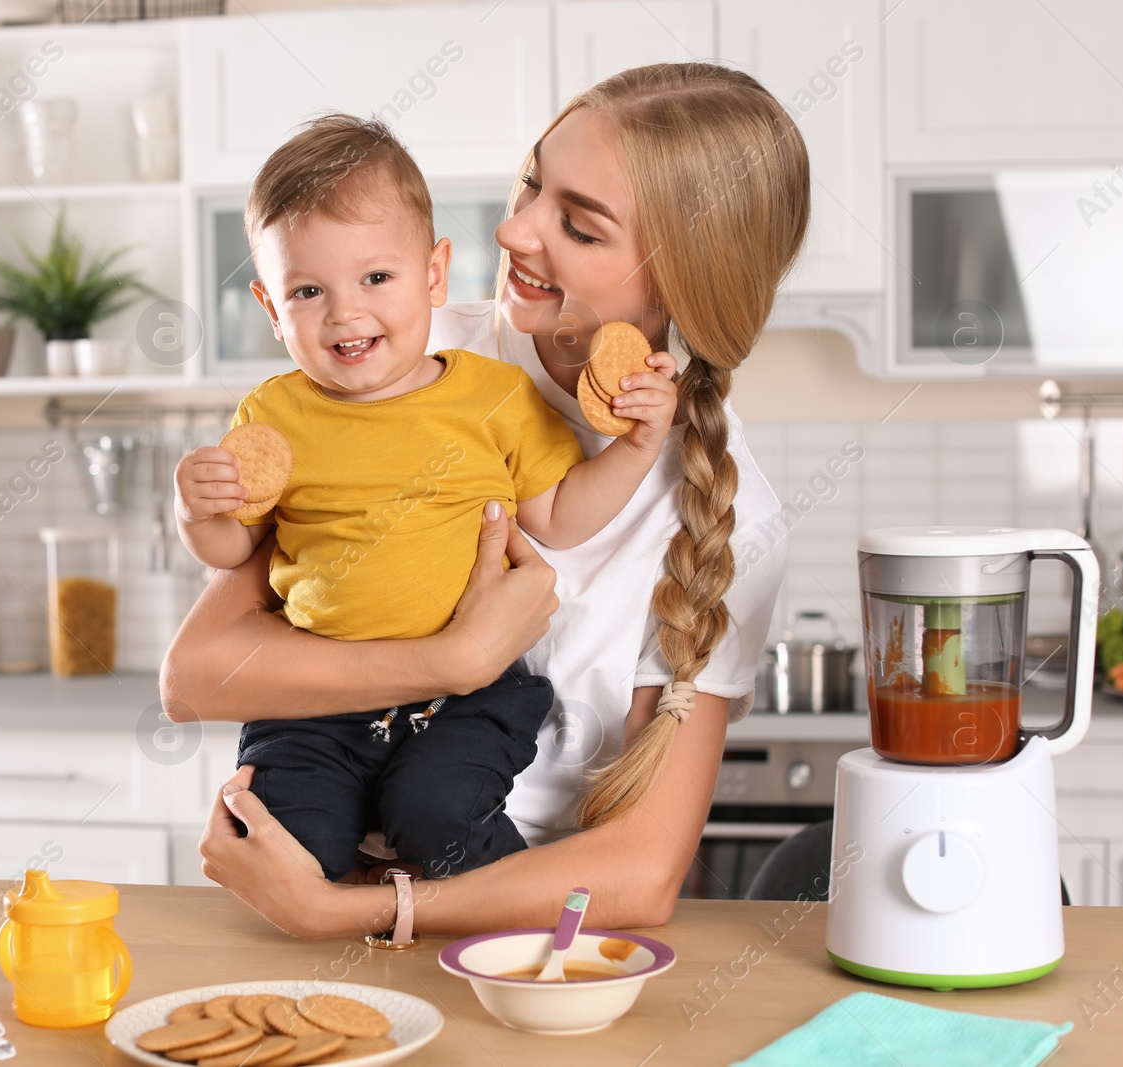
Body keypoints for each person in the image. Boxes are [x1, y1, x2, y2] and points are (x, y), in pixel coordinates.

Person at [162, 63, 809, 938]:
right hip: (315, 900)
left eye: (576, 225)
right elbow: (198, 674)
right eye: (534, 184)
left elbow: (643, 875)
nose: (514, 228)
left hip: (519, 947)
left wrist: (354, 909)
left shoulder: (729, 516)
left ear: (680, 279)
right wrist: (453, 660)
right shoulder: (397, 357)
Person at [173, 114, 678, 882]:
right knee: (290, 842)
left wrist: (639, 446)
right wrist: (196, 511)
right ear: (272, 310)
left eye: (376, 278)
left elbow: (561, 516)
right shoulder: (271, 415)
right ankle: (352, 964)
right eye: (308, 290)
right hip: (315, 698)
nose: (345, 312)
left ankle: (514, 924)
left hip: (468, 698)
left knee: (437, 814)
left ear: (434, 274)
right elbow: (232, 549)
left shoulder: (495, 397)